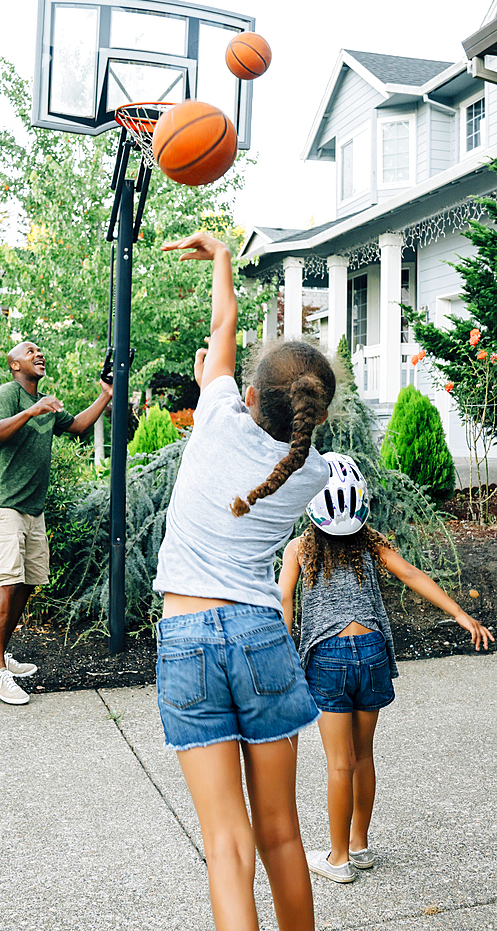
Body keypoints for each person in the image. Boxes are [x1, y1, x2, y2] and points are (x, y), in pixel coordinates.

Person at [151, 232, 337, 931]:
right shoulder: (310, 473)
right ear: (315, 413)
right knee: (281, 834)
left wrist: (222, 256)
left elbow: (221, 327)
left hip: (188, 639)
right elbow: (234, 361)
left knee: (227, 846)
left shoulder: (214, 419)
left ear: (245, 393)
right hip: (261, 636)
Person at [278, 452, 494, 883]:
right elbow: (412, 575)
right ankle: (359, 846)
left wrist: (283, 659)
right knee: (363, 756)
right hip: (373, 652)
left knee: (339, 763)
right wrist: (459, 614)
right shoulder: (371, 540)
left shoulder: (299, 547)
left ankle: (337, 859)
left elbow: (285, 601)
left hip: (328, 657)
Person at [0, 340, 113, 705]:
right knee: (8, 581)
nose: (38, 354)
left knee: (28, 582)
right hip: (4, 504)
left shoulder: (47, 405)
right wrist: (32, 411)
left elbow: (80, 425)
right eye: (29, 351)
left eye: (39, 351)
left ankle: (1, 655)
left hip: (32, 508)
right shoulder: (9, 394)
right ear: (14, 366)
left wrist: (106, 395)